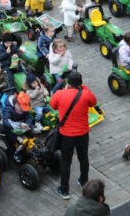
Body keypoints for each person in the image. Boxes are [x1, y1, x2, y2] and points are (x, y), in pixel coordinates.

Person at [50, 71, 98, 200]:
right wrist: (85, 87)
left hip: (66, 135)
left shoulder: (60, 94)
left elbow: (52, 105)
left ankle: (64, 189)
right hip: (83, 134)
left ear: (67, 83)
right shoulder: (86, 94)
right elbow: (94, 102)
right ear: (80, 83)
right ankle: (83, 181)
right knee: (83, 158)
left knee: (66, 161)